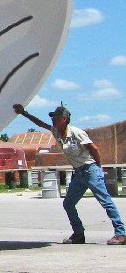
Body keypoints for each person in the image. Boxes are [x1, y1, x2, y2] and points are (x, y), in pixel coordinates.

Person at [13, 103, 126, 245]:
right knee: (69, 203)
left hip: (90, 170)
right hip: (79, 173)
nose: (53, 120)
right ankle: (78, 234)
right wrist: (24, 113)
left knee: (106, 202)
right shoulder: (56, 132)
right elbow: (40, 124)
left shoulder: (76, 132)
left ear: (64, 119)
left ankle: (121, 234)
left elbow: (94, 148)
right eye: (53, 117)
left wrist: (98, 167)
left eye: (56, 117)